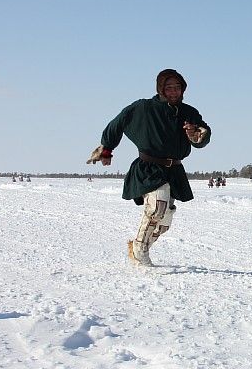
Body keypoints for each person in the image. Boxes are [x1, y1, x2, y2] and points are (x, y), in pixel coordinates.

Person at [86, 68, 211, 266]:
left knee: (165, 221)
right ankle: (139, 252)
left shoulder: (189, 112)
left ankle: (138, 244)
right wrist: (107, 148)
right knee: (157, 207)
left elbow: (203, 136)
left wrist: (198, 134)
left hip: (174, 170)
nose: (173, 91)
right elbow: (118, 122)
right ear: (161, 88)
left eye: (177, 87)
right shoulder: (143, 107)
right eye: (169, 87)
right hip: (149, 167)